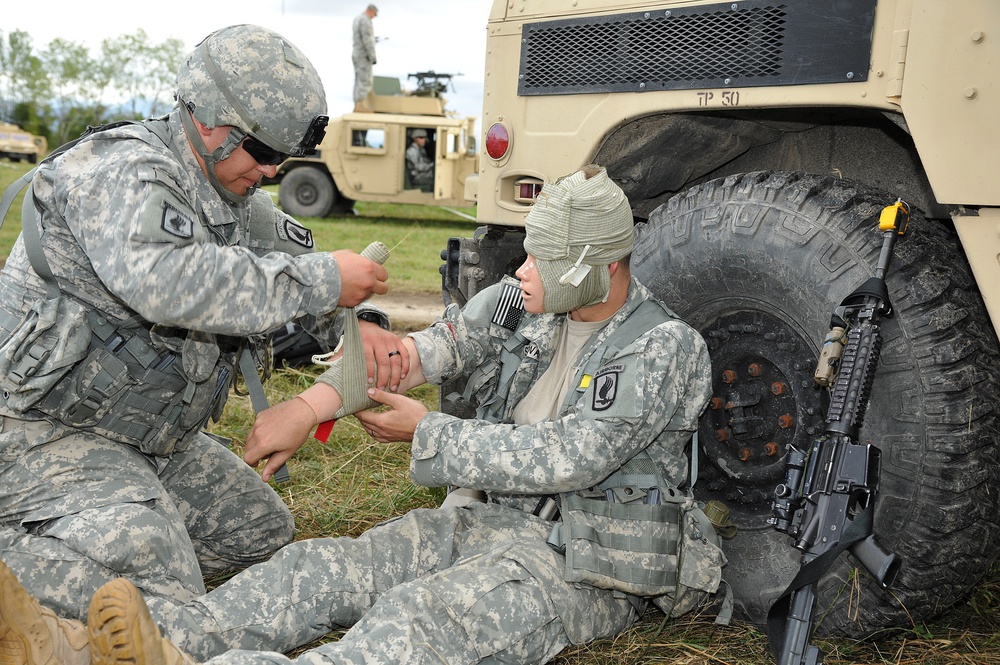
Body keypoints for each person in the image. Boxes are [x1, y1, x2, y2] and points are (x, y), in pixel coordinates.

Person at [2, 166, 724, 665]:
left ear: (600, 266)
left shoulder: (664, 348)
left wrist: (428, 432)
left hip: (587, 561)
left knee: (418, 625)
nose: (523, 270)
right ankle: (93, 646)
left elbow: (572, 457)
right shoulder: (526, 305)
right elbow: (430, 350)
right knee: (322, 568)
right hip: (489, 520)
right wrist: (310, 404)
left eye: (543, 259)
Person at [0, 23, 405, 662]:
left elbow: (296, 271)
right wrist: (324, 280)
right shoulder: (120, 171)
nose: (272, 171)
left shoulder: (236, 199)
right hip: (43, 432)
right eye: (263, 150)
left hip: (150, 440)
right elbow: (168, 281)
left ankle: (105, 551)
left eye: (284, 158)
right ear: (212, 121)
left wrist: (361, 325)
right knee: (162, 585)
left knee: (262, 532)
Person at [352, 4, 379, 112]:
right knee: (365, 80)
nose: (374, 17)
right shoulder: (365, 20)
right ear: (371, 11)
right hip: (364, 56)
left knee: (358, 80)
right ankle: (360, 106)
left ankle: (358, 105)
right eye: (375, 14)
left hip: (357, 53)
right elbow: (367, 41)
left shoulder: (358, 19)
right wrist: (372, 56)